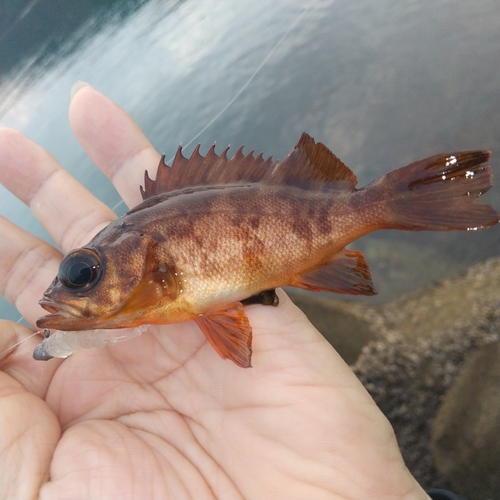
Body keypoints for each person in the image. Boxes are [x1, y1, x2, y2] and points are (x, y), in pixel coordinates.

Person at [0, 84, 460, 499]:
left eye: (84, 273)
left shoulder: (160, 275)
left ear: (143, 258)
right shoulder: (151, 284)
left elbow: (211, 310)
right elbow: (216, 316)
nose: (73, 288)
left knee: (370, 212)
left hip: (300, 226)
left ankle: (407, 197)